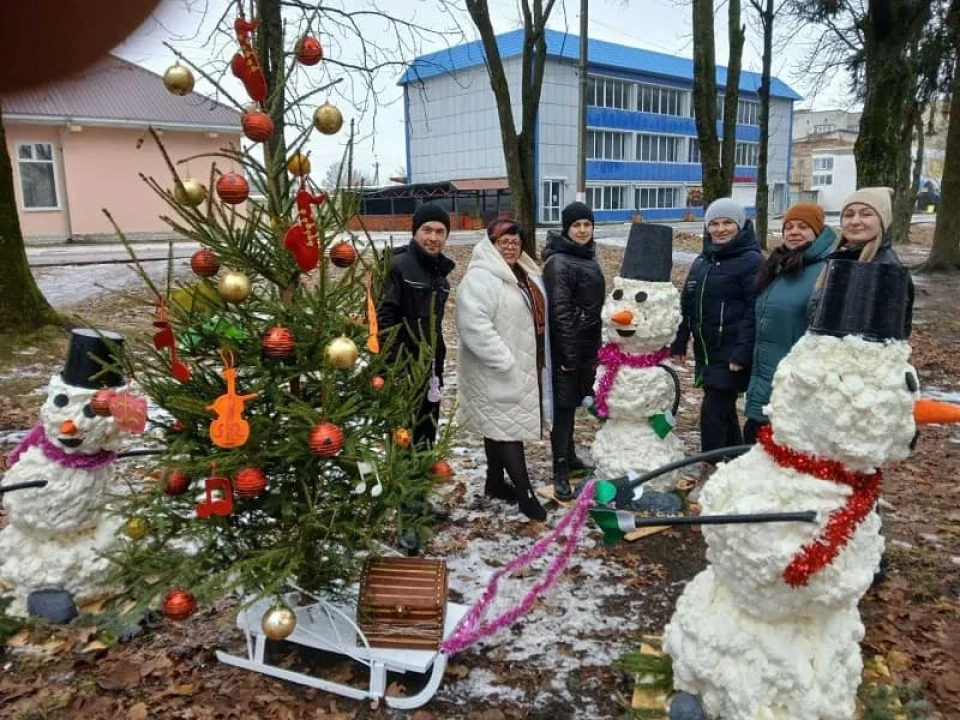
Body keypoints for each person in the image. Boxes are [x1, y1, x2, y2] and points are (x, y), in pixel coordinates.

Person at [455, 219, 549, 521]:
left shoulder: (523, 271)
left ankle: (494, 483)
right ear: (491, 244)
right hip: (496, 367)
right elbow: (474, 326)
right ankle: (525, 494)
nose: (510, 247)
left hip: (522, 361)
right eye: (504, 242)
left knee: (495, 425)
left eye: (515, 242)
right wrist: (503, 361)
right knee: (507, 429)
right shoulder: (480, 279)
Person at [670, 198, 763, 461]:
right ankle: (736, 461)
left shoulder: (752, 261)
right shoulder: (704, 260)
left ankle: (709, 466)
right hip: (707, 350)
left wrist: (741, 353)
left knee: (713, 411)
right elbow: (688, 302)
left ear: (740, 226)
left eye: (727, 223)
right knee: (725, 409)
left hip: (731, 351)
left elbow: (754, 311)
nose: (720, 229)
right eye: (714, 223)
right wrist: (680, 340)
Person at [743, 203, 835, 444]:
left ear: (817, 231)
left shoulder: (826, 271)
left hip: (796, 385)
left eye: (803, 227)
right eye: (789, 227)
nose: (794, 232)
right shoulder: (780, 265)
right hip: (765, 378)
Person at [377, 203, 456, 449]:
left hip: (430, 370)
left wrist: (437, 366)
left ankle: (422, 483)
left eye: (440, 232)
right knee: (402, 438)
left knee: (426, 435)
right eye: (427, 230)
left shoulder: (440, 277)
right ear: (415, 232)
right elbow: (385, 319)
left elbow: (434, 326)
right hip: (401, 371)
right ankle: (402, 486)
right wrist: (394, 370)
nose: (433, 238)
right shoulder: (397, 266)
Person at [543, 201, 605, 500]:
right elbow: (560, 312)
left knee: (573, 403)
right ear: (567, 229)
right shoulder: (559, 262)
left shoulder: (587, 257)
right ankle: (560, 469)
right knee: (563, 408)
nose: (582, 230)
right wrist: (568, 356)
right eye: (576, 225)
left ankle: (571, 456)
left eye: (587, 225)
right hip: (567, 348)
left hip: (586, 345)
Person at [824, 187, 914, 337]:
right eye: (848, 215)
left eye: (866, 214)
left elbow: (883, 338)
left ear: (882, 222)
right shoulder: (839, 259)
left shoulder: (885, 268)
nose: (855, 221)